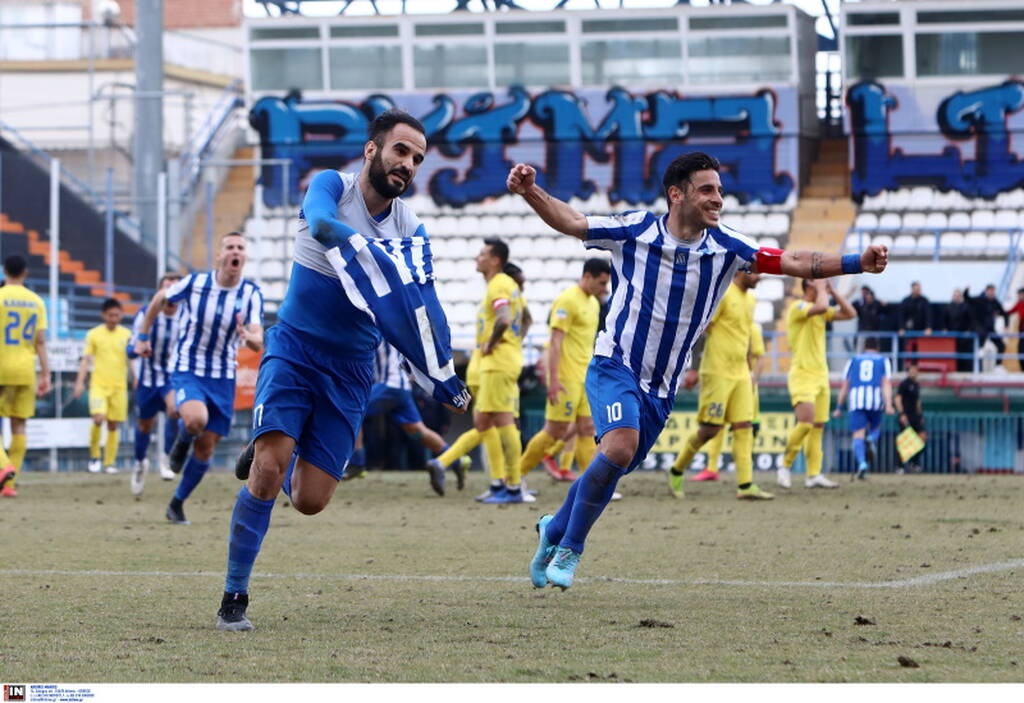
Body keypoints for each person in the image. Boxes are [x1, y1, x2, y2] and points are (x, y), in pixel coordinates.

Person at [507, 151, 888, 590]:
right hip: (615, 363)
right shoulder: (635, 230)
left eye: (719, 191)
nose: (717, 199)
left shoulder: (728, 247)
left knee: (613, 463)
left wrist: (857, 262)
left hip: (662, 387)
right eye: (707, 189)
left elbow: (794, 262)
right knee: (619, 448)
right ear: (677, 194)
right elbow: (573, 221)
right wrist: (530, 191)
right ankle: (571, 548)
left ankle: (553, 528)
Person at [218, 109, 469, 632]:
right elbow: (323, 224)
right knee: (268, 473)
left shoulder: (410, 228)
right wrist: (369, 252)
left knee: (310, 501)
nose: (408, 164)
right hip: (294, 349)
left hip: (352, 371)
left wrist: (441, 370)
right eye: (401, 150)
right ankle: (233, 598)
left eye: (418, 158)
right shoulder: (332, 185)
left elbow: (421, 302)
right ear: (371, 149)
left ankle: (274, 446)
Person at [134, 232, 264, 525]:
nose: (235, 251)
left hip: (223, 376)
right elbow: (160, 298)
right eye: (229, 247)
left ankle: (176, 504)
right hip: (188, 368)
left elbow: (258, 340)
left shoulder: (251, 294)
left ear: (245, 256)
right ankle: (182, 440)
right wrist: (142, 336)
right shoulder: (195, 283)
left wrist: (248, 336)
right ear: (220, 255)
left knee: (206, 447)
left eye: (240, 248)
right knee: (195, 420)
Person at [668, 270, 774, 500]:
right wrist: (693, 368)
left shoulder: (750, 300)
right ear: (741, 270)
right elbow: (700, 331)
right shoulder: (723, 295)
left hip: (741, 374)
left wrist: (749, 369)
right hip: (716, 372)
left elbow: (743, 338)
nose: (759, 277)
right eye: (756, 273)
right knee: (710, 430)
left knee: (744, 426)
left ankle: (745, 485)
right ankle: (677, 469)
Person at [519, 258, 610, 486]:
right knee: (555, 431)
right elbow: (555, 342)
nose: (604, 289)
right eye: (601, 283)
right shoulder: (567, 300)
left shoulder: (594, 303)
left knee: (587, 428)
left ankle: (592, 487)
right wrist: (553, 380)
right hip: (566, 378)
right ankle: (514, 478)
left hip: (586, 377)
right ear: (587, 276)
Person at [777, 279, 856, 490]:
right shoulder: (798, 307)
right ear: (809, 285)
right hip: (802, 374)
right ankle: (784, 465)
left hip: (821, 375)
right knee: (805, 423)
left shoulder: (821, 311)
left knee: (817, 427)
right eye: (817, 281)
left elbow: (850, 313)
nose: (822, 284)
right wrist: (823, 289)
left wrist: (834, 292)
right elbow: (821, 306)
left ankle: (813, 474)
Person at [362, 341, 470, 491]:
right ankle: (455, 461)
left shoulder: (378, 330)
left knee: (352, 411)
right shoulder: (396, 333)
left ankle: (356, 462)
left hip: (389, 386)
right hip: (402, 389)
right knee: (419, 431)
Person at [126, 272, 184, 496]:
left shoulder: (186, 316)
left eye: (175, 288)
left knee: (175, 410)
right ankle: (140, 463)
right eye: (166, 288)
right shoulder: (145, 315)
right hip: (148, 379)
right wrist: (139, 349)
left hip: (172, 377)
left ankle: (166, 456)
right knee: (144, 425)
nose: (170, 294)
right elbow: (130, 349)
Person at [0, 255, 51, 497]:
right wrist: (46, 374)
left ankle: (3, 466)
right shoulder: (36, 301)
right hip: (25, 369)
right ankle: (9, 486)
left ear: (4, 271)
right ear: (25, 273)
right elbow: (40, 342)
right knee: (19, 425)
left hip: (1, 366)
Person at [74, 298, 133, 475]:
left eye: (117, 315)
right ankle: (94, 457)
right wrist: (79, 382)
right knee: (98, 418)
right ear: (103, 315)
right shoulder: (94, 334)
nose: (114, 319)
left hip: (119, 387)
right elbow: (86, 360)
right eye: (110, 315)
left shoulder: (127, 335)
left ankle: (109, 462)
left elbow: (131, 360)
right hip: (99, 385)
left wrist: (136, 376)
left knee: (113, 425)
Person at [832, 337, 894, 480]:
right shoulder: (883, 360)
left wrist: (839, 407)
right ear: (877, 347)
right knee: (876, 427)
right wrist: (889, 404)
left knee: (858, 434)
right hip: (875, 399)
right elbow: (886, 383)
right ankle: (871, 438)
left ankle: (862, 463)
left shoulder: (853, 360)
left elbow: (845, 386)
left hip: (857, 400)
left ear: (864, 347)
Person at [964, 284, 1007, 368]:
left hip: (991, 329)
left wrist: (1006, 325)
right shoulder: (980, 300)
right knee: (980, 339)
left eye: (993, 291)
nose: (991, 293)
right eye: (990, 291)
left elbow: (1004, 314)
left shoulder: (995, 302)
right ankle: (980, 349)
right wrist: (966, 291)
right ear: (986, 291)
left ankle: (998, 366)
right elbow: (968, 299)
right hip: (980, 327)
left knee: (1001, 346)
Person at [895, 362, 926, 472]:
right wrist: (901, 414)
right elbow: (897, 399)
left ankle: (914, 462)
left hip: (915, 416)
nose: (914, 372)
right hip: (906, 416)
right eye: (912, 370)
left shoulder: (917, 385)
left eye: (915, 370)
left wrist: (920, 415)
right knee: (905, 441)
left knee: (922, 438)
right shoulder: (904, 384)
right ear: (908, 372)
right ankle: (899, 466)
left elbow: (917, 401)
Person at [898, 281, 932, 368]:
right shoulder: (906, 301)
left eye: (919, 289)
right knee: (907, 349)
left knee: (920, 350)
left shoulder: (924, 301)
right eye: (916, 289)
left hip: (921, 331)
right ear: (912, 289)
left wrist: (928, 327)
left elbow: (928, 315)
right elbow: (901, 315)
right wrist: (901, 328)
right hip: (908, 331)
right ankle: (906, 367)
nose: (918, 291)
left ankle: (920, 367)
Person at [944, 288, 975, 372]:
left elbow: (971, 320)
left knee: (964, 355)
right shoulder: (948, 307)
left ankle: (965, 370)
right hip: (951, 336)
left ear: (961, 297)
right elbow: (944, 320)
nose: (956, 297)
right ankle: (953, 369)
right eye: (955, 296)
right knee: (952, 354)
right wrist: (945, 329)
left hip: (963, 336)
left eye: (958, 296)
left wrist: (969, 330)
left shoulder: (966, 307)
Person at [853, 285, 887, 350]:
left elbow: (886, 309)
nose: (868, 298)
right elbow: (852, 306)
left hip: (874, 331)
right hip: (863, 330)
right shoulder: (861, 304)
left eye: (870, 297)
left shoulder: (877, 304)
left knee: (876, 348)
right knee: (860, 348)